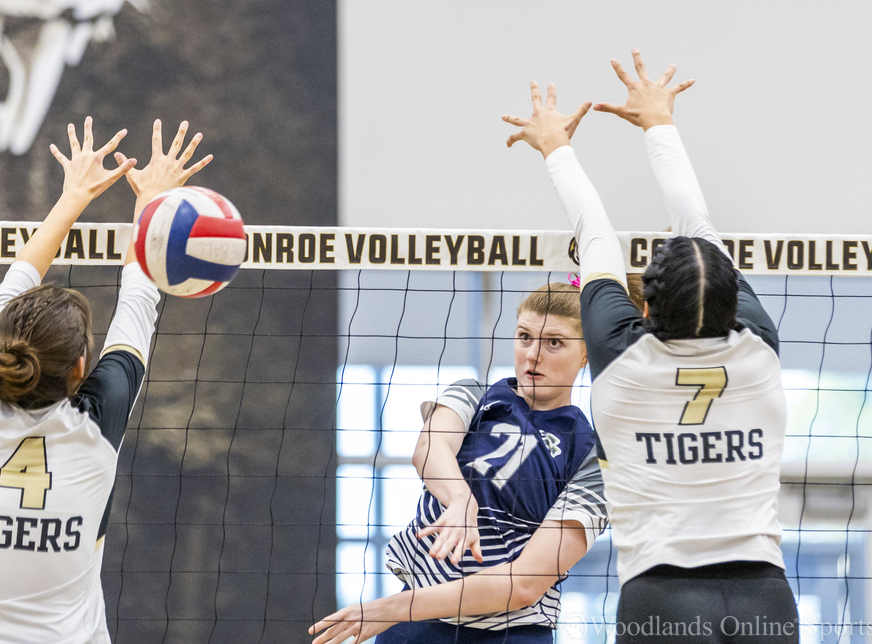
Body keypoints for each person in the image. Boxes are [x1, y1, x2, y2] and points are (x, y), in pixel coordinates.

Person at [503, 50, 799, 642]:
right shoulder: (758, 349)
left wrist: (555, 144)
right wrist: (660, 122)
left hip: (662, 599)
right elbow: (700, 226)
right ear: (732, 300)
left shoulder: (620, 356)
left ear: (643, 308)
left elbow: (596, 233)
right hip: (766, 598)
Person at [0, 118, 212, 643]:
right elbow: (139, 295)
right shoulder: (97, 423)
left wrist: (74, 195)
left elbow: (21, 278)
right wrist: (152, 203)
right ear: (81, 371)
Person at [311, 283, 608, 644]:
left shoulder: (592, 456)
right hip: (415, 625)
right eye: (524, 337)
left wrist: (392, 609)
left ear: (586, 353)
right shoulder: (476, 394)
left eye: (554, 342)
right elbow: (428, 448)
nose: (532, 355)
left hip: (507, 634)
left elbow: (525, 585)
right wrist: (460, 499)